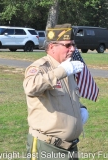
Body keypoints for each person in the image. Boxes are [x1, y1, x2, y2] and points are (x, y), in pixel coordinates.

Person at [23, 23, 89, 160]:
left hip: (70, 148)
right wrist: (61, 72)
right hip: (48, 147)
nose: (72, 49)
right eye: (67, 45)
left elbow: (67, 97)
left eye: (73, 45)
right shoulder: (41, 67)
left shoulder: (67, 68)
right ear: (52, 47)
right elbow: (31, 87)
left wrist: (81, 108)